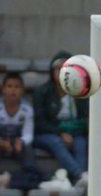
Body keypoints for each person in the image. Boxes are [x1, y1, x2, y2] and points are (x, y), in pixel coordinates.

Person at [34, 51, 89, 187]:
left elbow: (84, 120)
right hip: (47, 135)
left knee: (81, 143)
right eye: (58, 68)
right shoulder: (42, 92)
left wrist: (71, 132)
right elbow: (40, 123)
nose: (62, 72)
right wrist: (60, 132)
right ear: (52, 71)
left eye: (66, 68)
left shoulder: (80, 92)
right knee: (56, 141)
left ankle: (78, 181)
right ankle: (80, 174)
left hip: (74, 134)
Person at [0, 72, 37, 177]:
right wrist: (0, 142)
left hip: (17, 140)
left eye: (17, 87)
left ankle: (30, 178)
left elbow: (28, 134)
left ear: (22, 90)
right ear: (3, 89)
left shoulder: (27, 108)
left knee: (28, 148)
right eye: (9, 86)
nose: (13, 90)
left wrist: (21, 142)